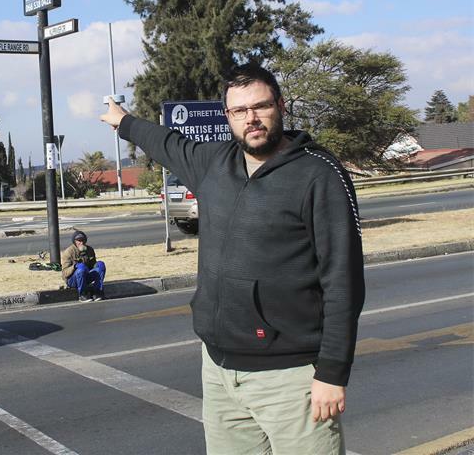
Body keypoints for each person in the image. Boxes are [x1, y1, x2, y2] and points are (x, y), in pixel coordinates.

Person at [100, 63, 365, 454]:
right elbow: (168, 143)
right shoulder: (214, 163)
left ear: (281, 107)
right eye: (239, 110)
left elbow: (343, 280)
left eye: (261, 106)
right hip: (220, 372)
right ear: (228, 116)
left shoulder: (318, 175)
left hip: (291, 378)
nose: (251, 118)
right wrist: (124, 122)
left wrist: (332, 372)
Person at [62, 230, 106, 302]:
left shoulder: (89, 250)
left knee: (101, 264)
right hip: (72, 279)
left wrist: (97, 266)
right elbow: (64, 273)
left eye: (83, 240)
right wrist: (75, 266)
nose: (81, 242)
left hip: (85, 276)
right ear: (74, 241)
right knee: (81, 267)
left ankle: (97, 292)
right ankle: (82, 294)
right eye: (79, 240)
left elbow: (93, 266)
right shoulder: (68, 252)